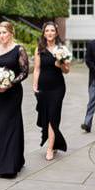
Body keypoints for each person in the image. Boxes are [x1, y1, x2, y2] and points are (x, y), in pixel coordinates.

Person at [0, 22, 29, 178]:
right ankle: (17, 159)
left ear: (11, 33)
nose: (1, 35)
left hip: (14, 93)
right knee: (4, 126)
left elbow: (24, 72)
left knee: (12, 124)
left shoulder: (19, 49)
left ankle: (7, 167)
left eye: (4, 32)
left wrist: (9, 83)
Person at [32, 21, 70, 161]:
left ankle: (50, 149)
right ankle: (55, 143)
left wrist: (60, 65)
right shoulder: (39, 49)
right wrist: (34, 85)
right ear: (44, 33)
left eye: (52, 30)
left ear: (56, 33)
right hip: (43, 87)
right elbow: (37, 69)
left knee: (53, 117)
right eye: (47, 30)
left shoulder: (62, 49)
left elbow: (67, 71)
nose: (49, 33)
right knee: (47, 117)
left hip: (57, 88)